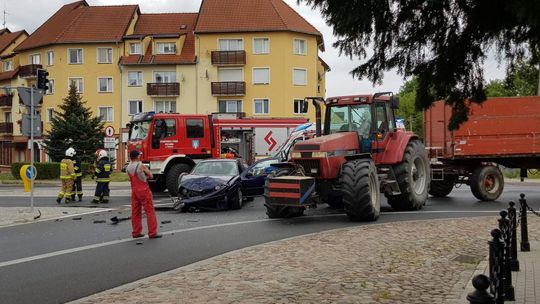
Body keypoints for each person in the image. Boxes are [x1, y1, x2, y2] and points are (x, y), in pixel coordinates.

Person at [126, 150, 161, 239]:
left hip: (134, 191)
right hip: (144, 190)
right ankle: (152, 233)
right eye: (139, 155)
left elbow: (130, 179)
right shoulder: (140, 165)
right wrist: (145, 176)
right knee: (149, 211)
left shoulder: (128, 167)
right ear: (137, 156)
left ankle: (136, 232)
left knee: (135, 212)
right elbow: (151, 176)